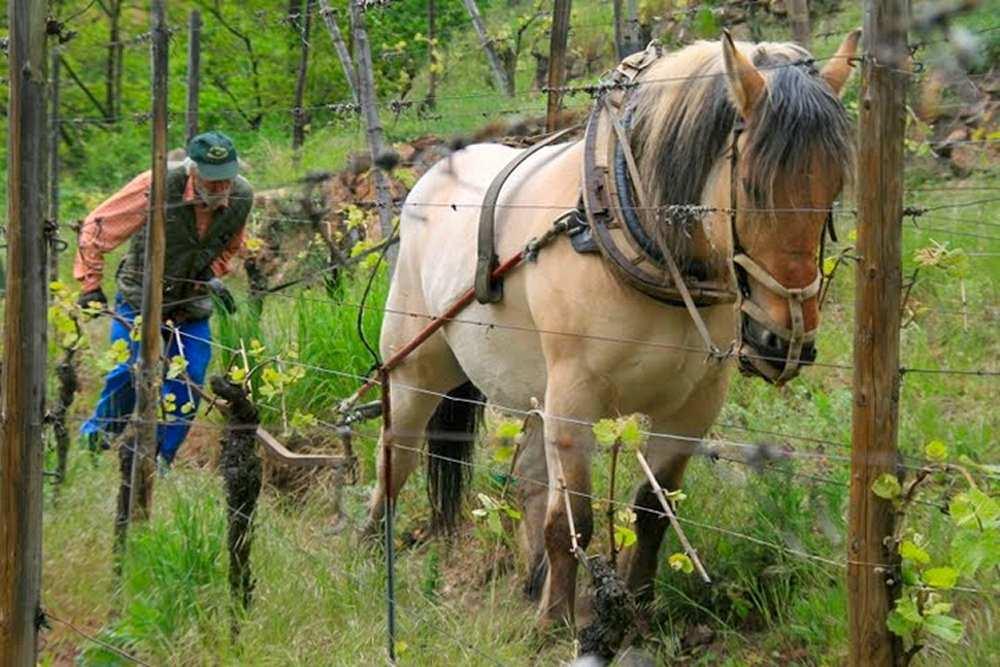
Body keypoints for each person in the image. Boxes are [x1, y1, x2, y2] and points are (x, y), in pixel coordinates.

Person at [75, 130, 253, 465]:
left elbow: (230, 244)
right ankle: (96, 442)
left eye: (226, 180)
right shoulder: (155, 184)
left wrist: (209, 272)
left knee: (189, 378)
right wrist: (90, 285)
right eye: (212, 181)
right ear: (192, 171)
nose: (221, 189)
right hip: (140, 295)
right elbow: (96, 226)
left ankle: (159, 458)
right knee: (128, 370)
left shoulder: (242, 196)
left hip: (190, 302)